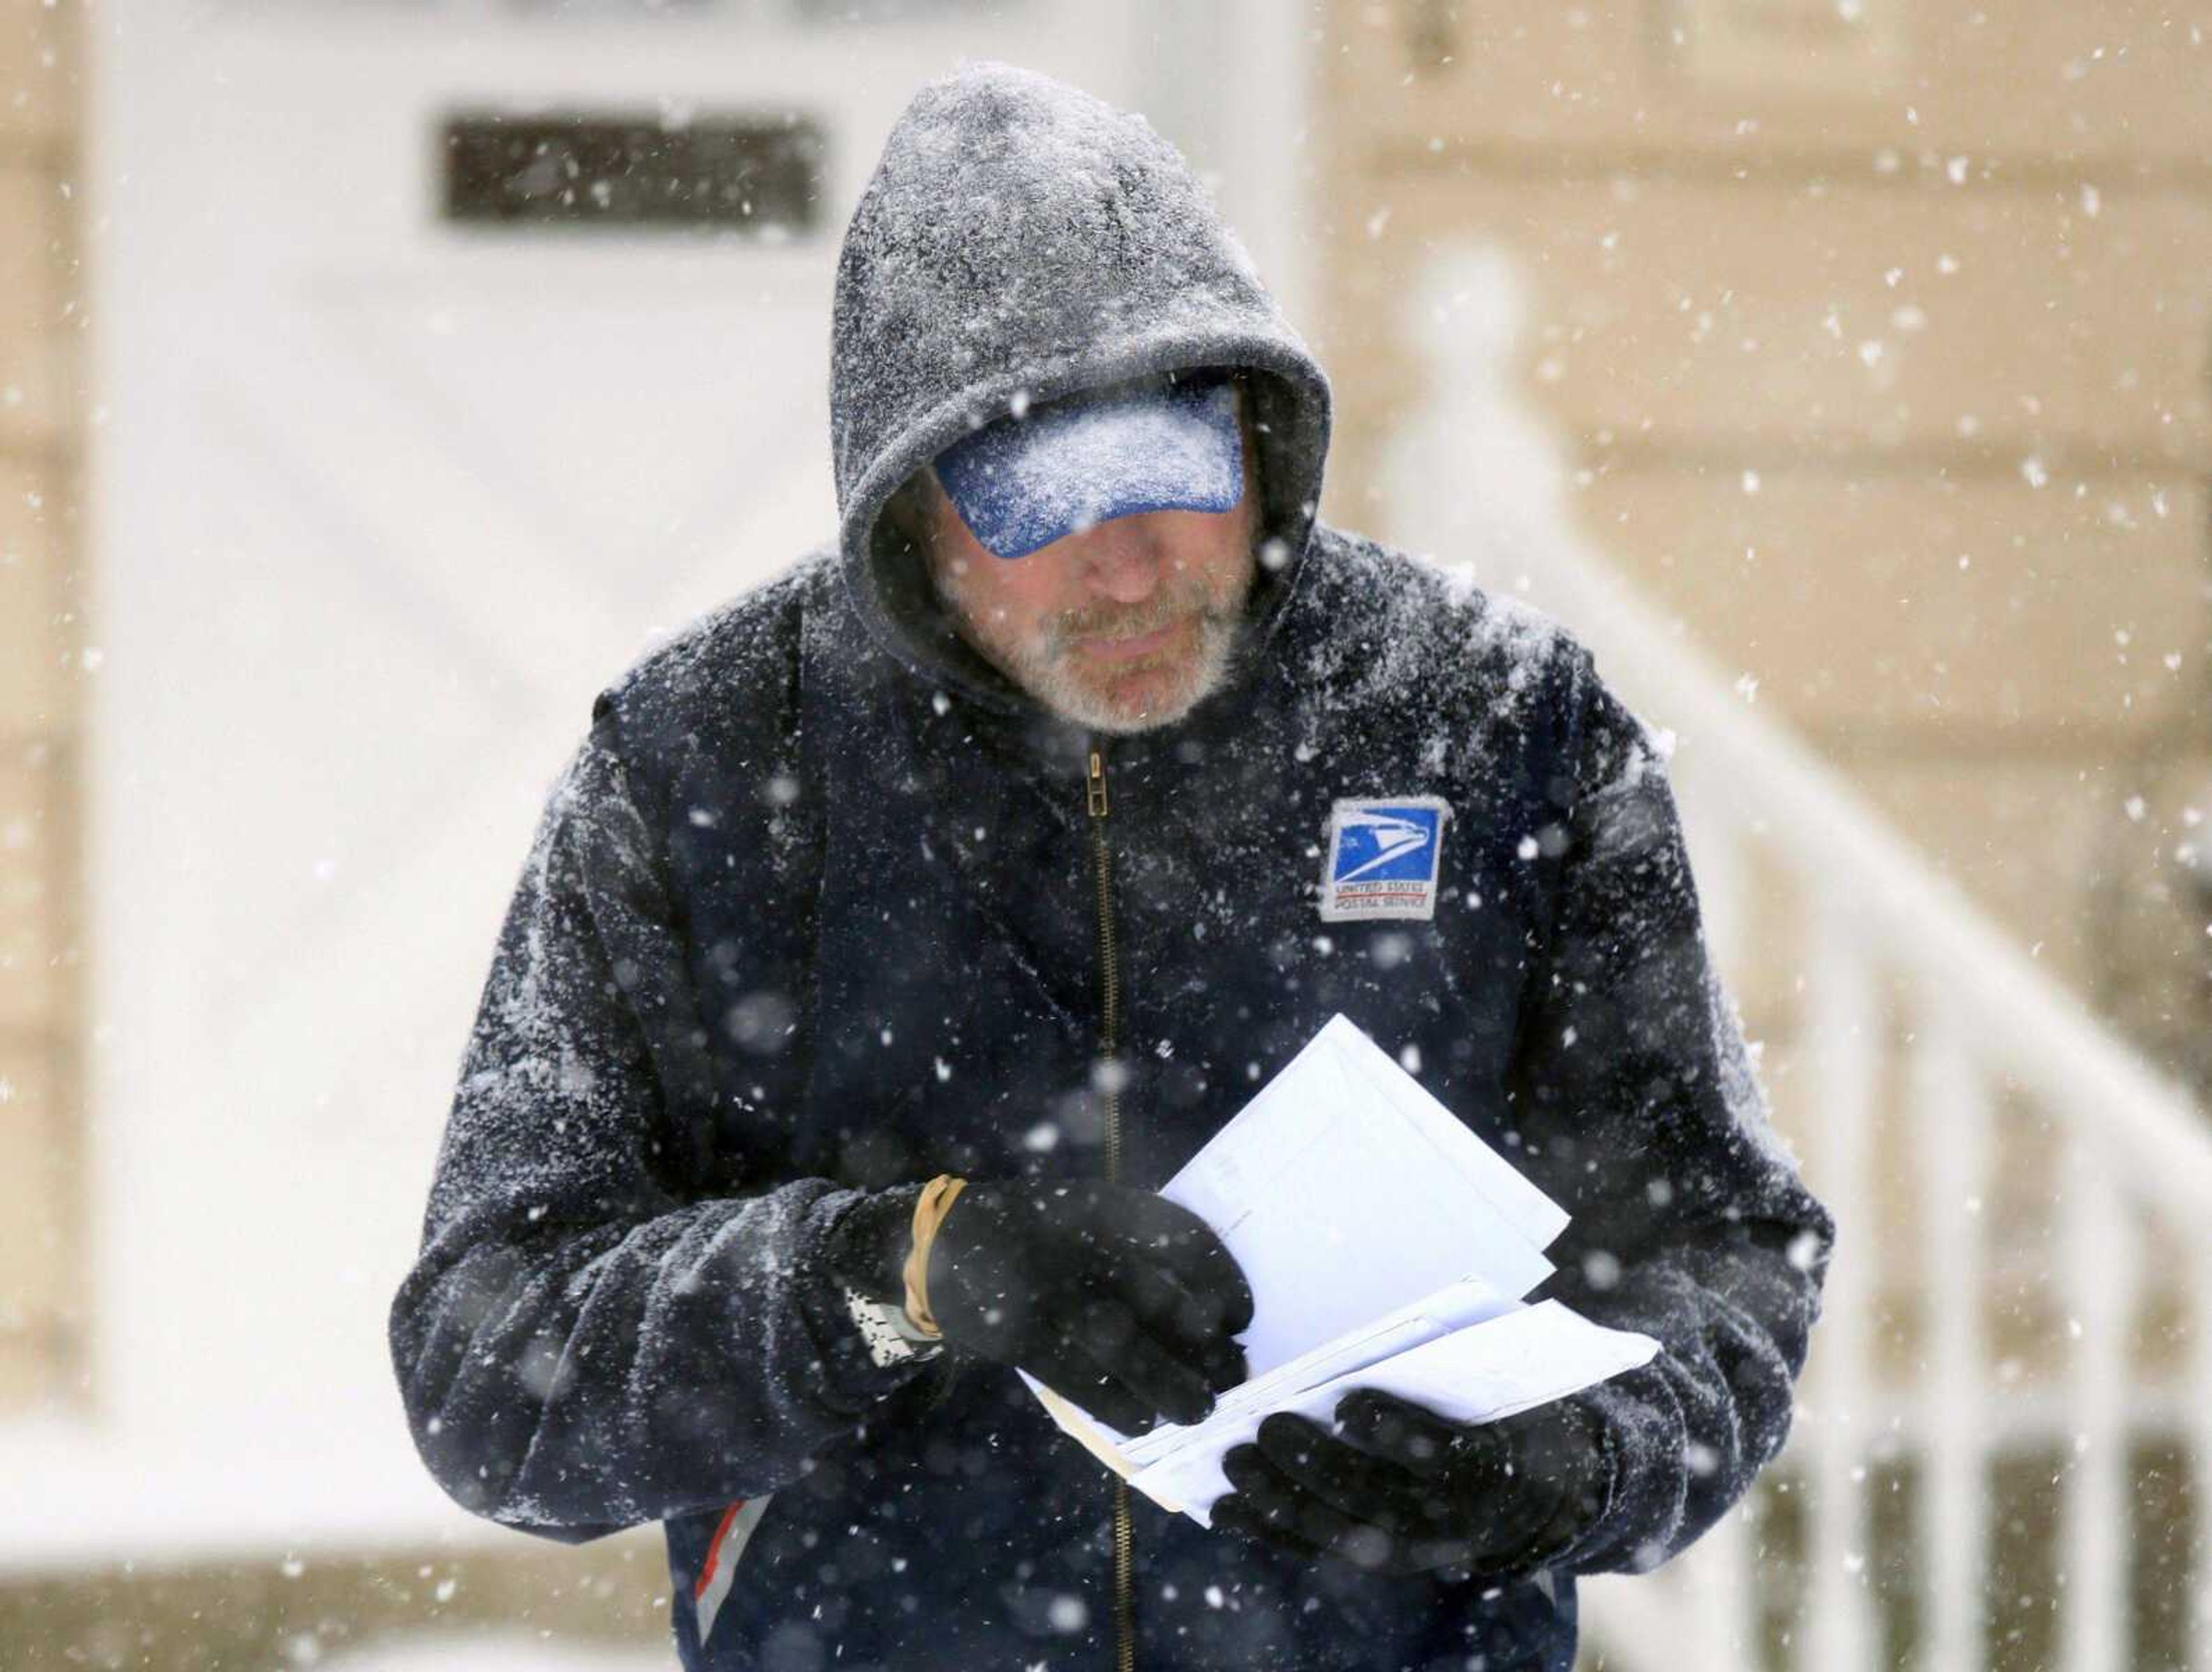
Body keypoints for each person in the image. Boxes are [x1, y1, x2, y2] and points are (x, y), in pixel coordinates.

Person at [389, 60, 1834, 1672]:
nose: (1132, 556)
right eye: (1046, 492)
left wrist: (1577, 1461)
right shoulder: (703, 767)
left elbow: (1722, 1252)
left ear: (1260, 435)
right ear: (912, 505)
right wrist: (898, 1269)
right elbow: (491, 1367)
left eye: (1177, 463)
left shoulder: (1497, 727)